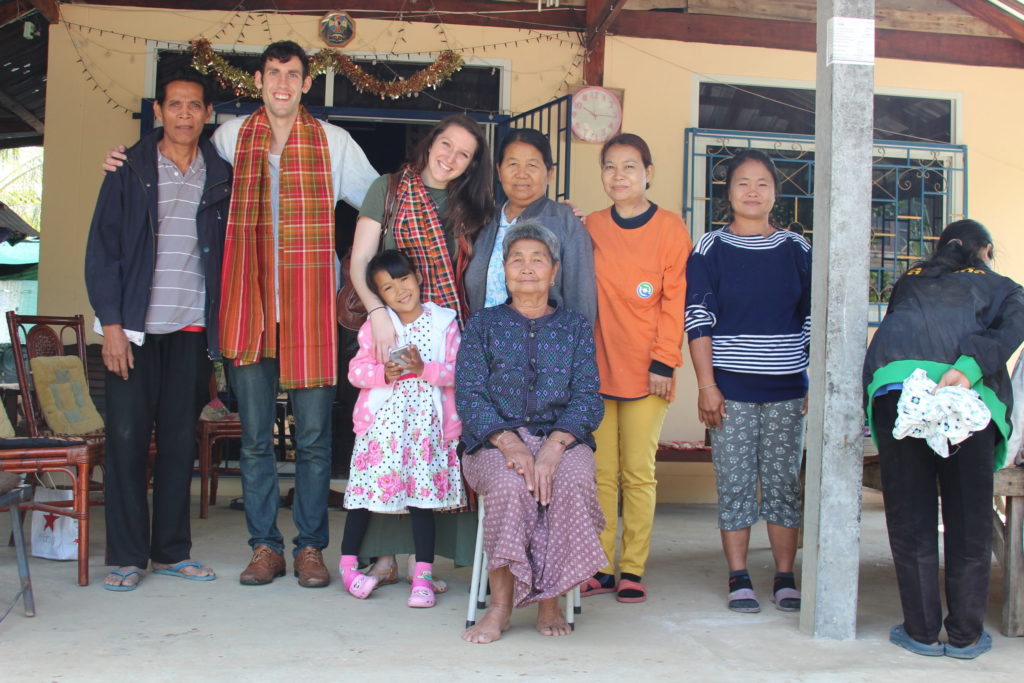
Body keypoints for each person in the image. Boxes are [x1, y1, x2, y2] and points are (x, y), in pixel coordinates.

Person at [85, 72, 229, 591]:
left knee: (176, 444)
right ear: (159, 111)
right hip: (135, 333)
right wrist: (113, 326)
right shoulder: (130, 168)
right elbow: (103, 251)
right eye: (176, 105)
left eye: (194, 106)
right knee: (125, 441)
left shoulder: (220, 173)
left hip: (191, 331)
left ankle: (171, 551)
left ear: (207, 113)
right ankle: (125, 555)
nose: (185, 114)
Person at [863, 219, 1024, 659]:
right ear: (985, 250)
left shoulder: (910, 280)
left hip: (899, 393)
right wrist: (968, 370)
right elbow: (1012, 333)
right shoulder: (1004, 286)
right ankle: (966, 636)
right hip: (965, 401)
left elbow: (897, 334)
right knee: (969, 518)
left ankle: (920, 632)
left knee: (911, 517)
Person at [346, 114, 493, 586]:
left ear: (471, 165)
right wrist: (377, 315)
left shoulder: (472, 207)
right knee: (389, 444)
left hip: (446, 336)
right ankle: (385, 557)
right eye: (445, 144)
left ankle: (426, 561)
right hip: (390, 327)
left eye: (463, 153)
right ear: (431, 143)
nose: (450, 157)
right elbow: (361, 261)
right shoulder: (388, 190)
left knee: (435, 446)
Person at [456, 221, 606, 643]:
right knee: (508, 484)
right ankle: (500, 607)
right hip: (494, 441)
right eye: (516, 259)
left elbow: (588, 398)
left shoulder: (574, 327)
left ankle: (550, 601)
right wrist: (510, 442)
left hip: (562, 437)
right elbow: (469, 395)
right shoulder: (483, 325)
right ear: (503, 270)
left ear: (554, 271)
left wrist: (555, 446)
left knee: (572, 479)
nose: (526, 267)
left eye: (537, 259)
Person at [684, 149, 811, 614]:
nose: (753, 191)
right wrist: (706, 384)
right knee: (735, 483)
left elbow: (812, 320)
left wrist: (812, 381)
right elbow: (698, 318)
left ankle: (783, 576)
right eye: (743, 183)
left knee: (782, 485)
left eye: (762, 183)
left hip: (787, 391)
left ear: (774, 193)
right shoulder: (709, 248)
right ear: (729, 192)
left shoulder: (796, 249)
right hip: (730, 391)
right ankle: (738, 576)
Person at [583, 133, 691, 603]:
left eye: (629, 166)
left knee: (638, 473)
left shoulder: (670, 228)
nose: (619, 175)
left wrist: (665, 361)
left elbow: (675, 300)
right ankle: (601, 566)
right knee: (600, 473)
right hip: (597, 367)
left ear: (648, 172)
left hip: (650, 370)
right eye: (610, 166)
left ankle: (632, 567)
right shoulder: (590, 226)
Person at [339, 250, 463, 608]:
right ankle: (349, 568)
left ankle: (422, 574)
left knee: (422, 502)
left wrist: (424, 368)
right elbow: (355, 371)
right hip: (383, 429)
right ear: (380, 296)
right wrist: (384, 375)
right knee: (363, 497)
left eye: (404, 279)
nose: (400, 291)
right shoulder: (378, 326)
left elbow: (458, 372)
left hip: (426, 428)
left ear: (417, 277)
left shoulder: (443, 323)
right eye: (388, 288)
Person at [464, 127, 596, 321]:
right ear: (499, 172)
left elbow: (581, 297)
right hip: (485, 345)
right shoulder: (484, 222)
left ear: (550, 172)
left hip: (545, 346)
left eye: (532, 165)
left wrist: (578, 346)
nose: (521, 174)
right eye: (513, 164)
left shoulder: (566, 221)